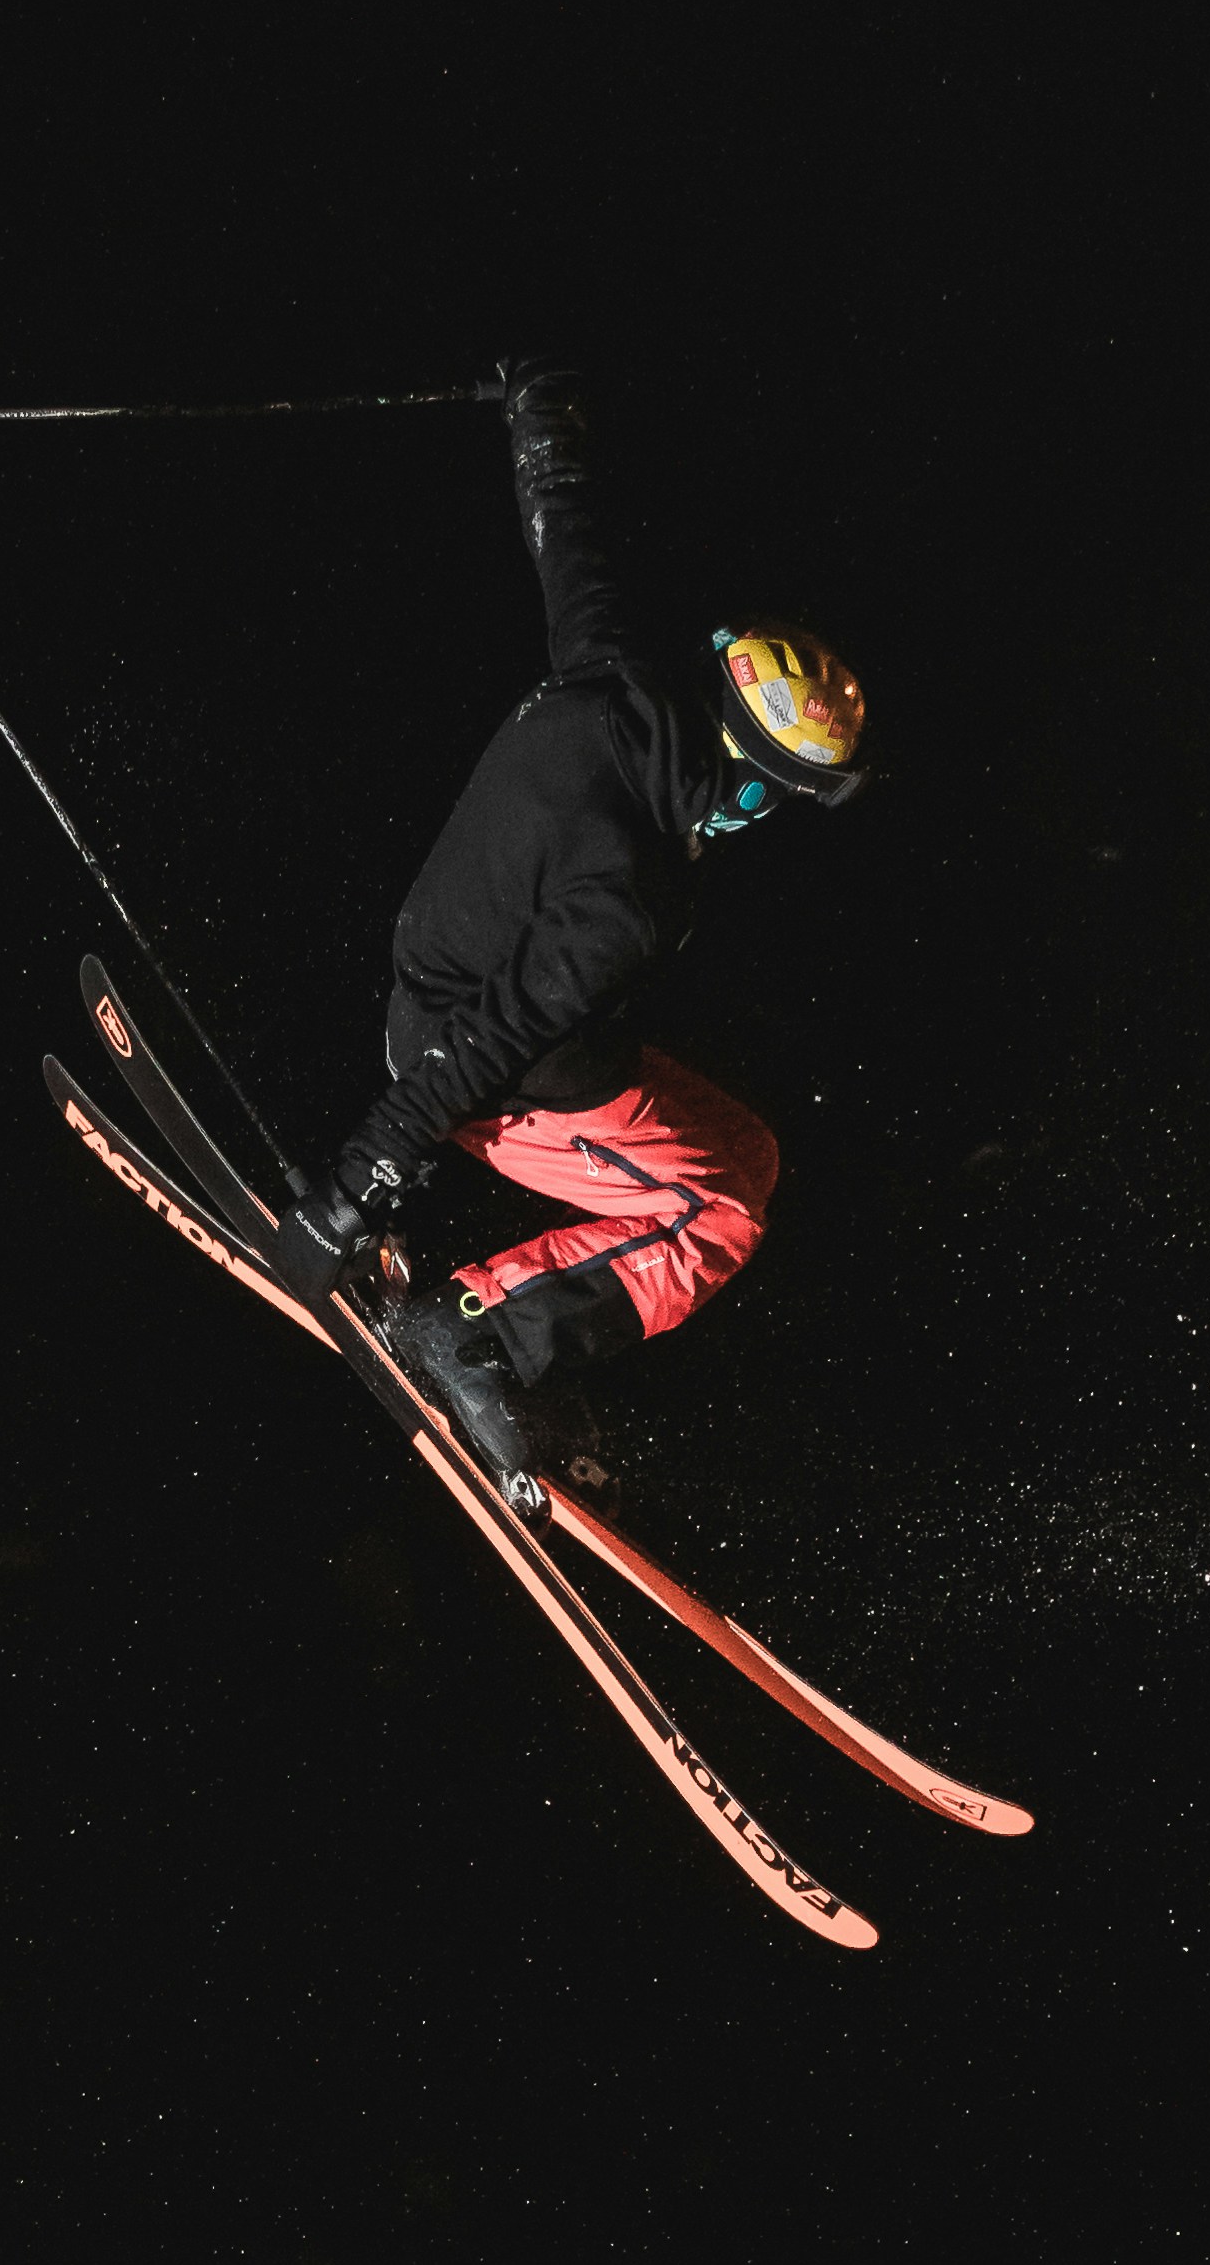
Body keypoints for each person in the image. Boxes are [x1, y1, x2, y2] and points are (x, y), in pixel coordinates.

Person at [277, 361, 866, 1479]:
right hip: (485, 1077)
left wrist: (540, 412)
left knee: (749, 1147)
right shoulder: (632, 889)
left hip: (455, 1005)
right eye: (776, 798)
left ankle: (516, 1314)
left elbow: (571, 532)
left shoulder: (611, 672)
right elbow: (496, 1033)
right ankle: (482, 1333)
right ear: (749, 783)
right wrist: (353, 1191)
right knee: (719, 1211)